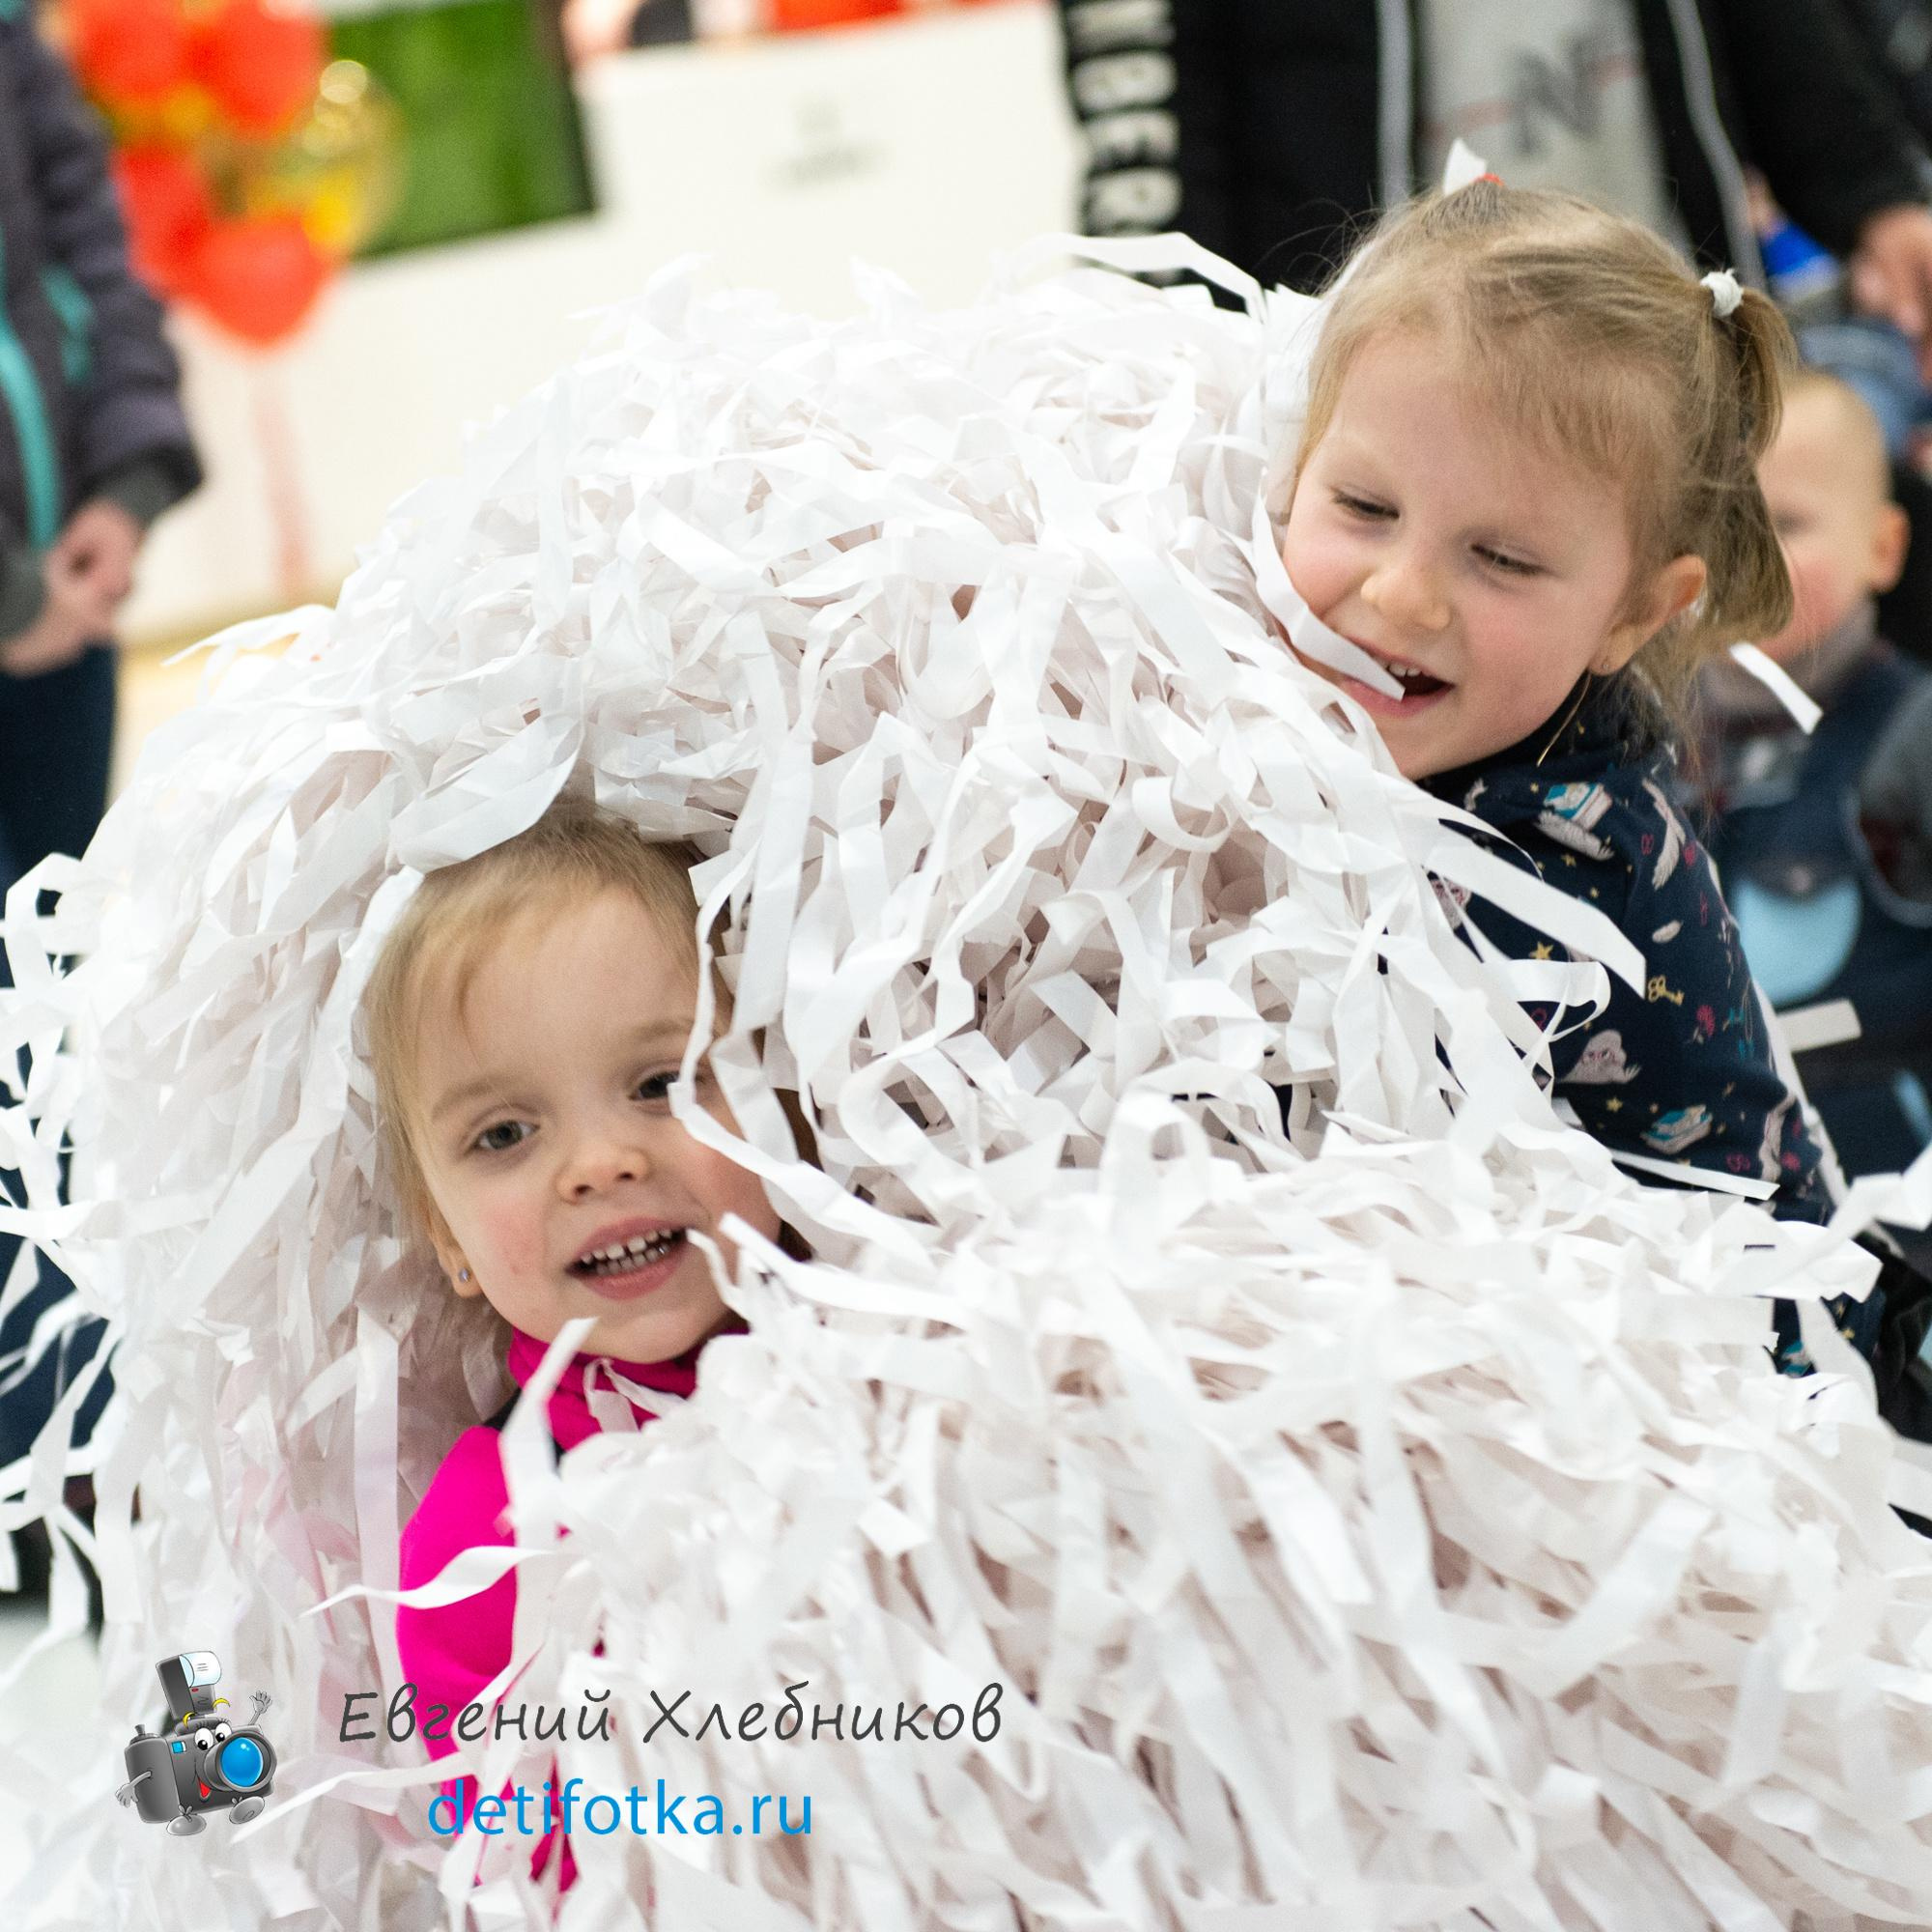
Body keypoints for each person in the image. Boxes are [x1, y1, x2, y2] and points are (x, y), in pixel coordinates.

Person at [1274, 179, 1880, 1372]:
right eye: (1360, 504)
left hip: (1736, 1390)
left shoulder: (1566, 859)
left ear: (1633, 613)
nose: (1400, 593)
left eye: (1499, 557)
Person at [372, 799, 797, 1876]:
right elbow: (528, 1861)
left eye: (661, 1082)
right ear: (448, 1236)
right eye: (505, 1132)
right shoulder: (482, 1543)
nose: (600, 1161)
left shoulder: (910, 1347)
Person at [1054, 0, 1932, 382]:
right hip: (1371, 381)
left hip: (1665, 337)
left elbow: (1767, 26)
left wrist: (1876, 193)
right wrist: (1168, 353)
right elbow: (1151, 136)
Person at [0, 1, 201, 1581]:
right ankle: (44, 1466)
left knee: (39, 1009)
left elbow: (89, 246)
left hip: (58, 616)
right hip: (21, 602)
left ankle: (75, 1431)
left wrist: (124, 486)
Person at [1688, 370, 1932, 1255]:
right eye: (1713, 525)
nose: (1741, 558)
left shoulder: (1912, 733)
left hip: (1903, 1209)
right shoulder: (1649, 748)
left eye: (1784, 525)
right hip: (1738, 1225)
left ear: (1884, 546)